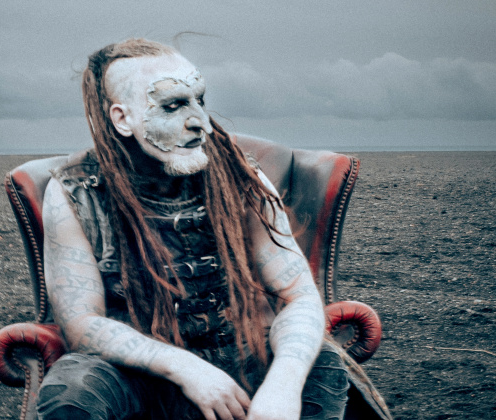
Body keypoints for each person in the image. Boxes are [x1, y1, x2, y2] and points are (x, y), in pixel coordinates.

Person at [36, 38, 390, 420]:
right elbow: (82, 324)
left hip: (241, 359)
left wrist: (283, 383)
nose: (200, 122)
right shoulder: (77, 191)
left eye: (199, 100)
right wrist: (185, 368)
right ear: (123, 119)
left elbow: (298, 295)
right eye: (173, 105)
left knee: (319, 363)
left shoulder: (239, 176)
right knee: (71, 389)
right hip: (141, 375)